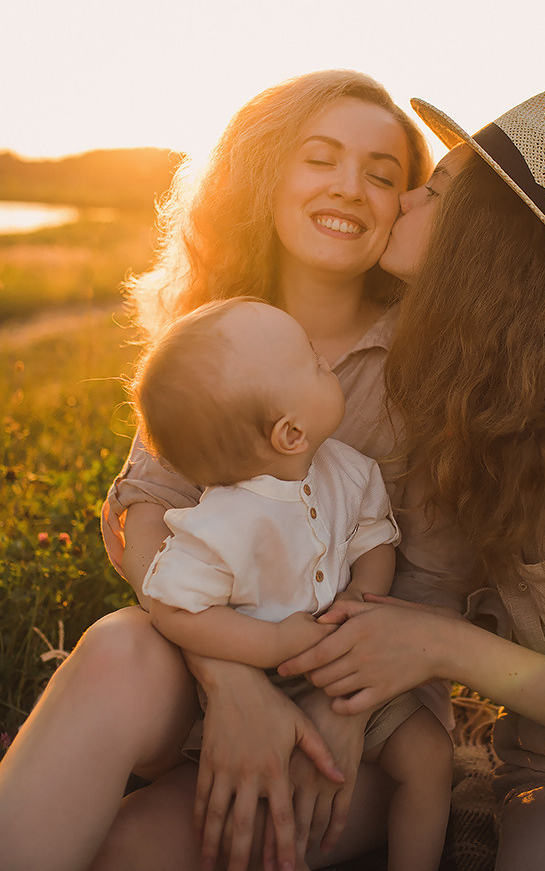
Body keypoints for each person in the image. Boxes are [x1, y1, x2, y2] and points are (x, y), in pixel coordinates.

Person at [0, 70, 442, 871]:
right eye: (320, 158)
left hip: (365, 711)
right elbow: (146, 510)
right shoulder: (217, 329)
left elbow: (434, 581)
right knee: (115, 649)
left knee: (134, 849)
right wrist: (231, 679)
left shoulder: (426, 359)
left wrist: (343, 705)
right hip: (213, 661)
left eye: (383, 174)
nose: (351, 187)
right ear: (266, 172)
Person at [279, 89, 545, 870]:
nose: (405, 198)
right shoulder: (463, 395)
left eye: (437, 189)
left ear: (485, 237)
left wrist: (441, 646)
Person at [133, 296, 452, 871]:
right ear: (289, 433)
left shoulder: (349, 470)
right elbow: (173, 607)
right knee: (268, 806)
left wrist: (361, 596)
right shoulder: (221, 525)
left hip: (349, 670)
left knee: (430, 755)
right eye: (314, 363)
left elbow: (374, 540)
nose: (324, 360)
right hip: (266, 690)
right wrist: (274, 645)